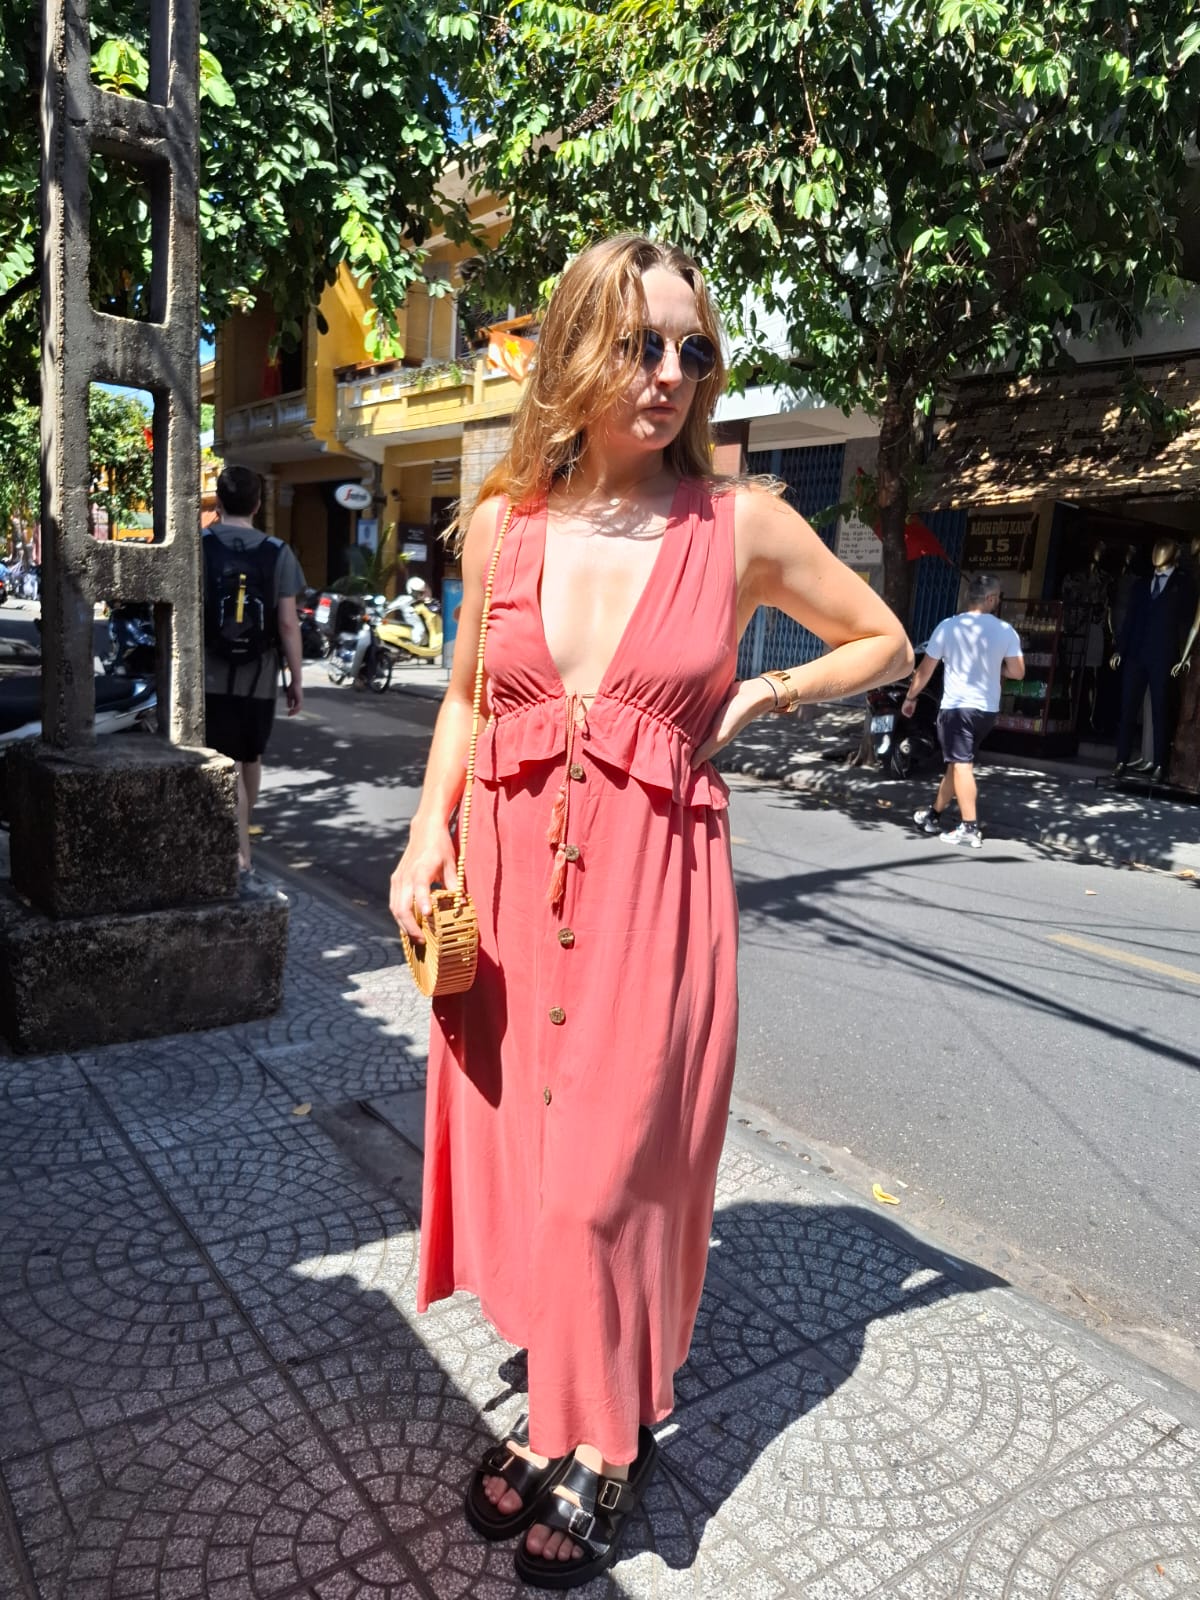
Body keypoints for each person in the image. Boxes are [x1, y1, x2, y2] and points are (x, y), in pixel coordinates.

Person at [389, 235, 911, 1588]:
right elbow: (462, 703)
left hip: (652, 906)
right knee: (528, 1164)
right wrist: (422, 835)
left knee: (612, 1178)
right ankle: (560, 1398)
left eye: (693, 348)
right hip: (503, 897)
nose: (672, 374)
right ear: (574, 349)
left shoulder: (739, 526)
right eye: (641, 343)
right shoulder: (505, 519)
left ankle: (605, 1443)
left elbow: (884, 638)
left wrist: (767, 694)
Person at [202, 464, 305, 872]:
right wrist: (297, 680)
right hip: (260, 677)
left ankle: (238, 848)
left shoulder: (201, 545)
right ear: (258, 504)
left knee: (224, 758)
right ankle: (242, 845)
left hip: (210, 673)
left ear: (220, 502)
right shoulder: (277, 552)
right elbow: (287, 623)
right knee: (249, 756)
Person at [907, 573, 1024, 848]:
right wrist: (997, 668)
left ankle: (969, 827)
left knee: (961, 764)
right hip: (986, 711)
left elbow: (925, 669)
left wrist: (910, 696)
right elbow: (1018, 672)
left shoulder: (948, 627)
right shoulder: (1006, 630)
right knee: (957, 765)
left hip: (957, 708)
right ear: (992, 599)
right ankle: (933, 815)